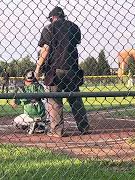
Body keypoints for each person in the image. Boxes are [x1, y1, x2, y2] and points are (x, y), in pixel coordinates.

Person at [34, 6, 89, 137]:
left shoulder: (49, 28)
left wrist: (37, 68)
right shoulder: (74, 27)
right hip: (72, 69)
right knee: (75, 99)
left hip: (55, 69)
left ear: (52, 17)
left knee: (54, 100)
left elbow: (45, 49)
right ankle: (84, 127)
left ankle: (57, 130)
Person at [11, 70, 47, 134]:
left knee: (15, 123)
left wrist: (15, 98)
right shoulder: (39, 86)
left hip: (29, 115)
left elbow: (14, 104)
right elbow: (44, 97)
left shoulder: (21, 88)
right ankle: (39, 125)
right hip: (41, 115)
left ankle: (32, 125)